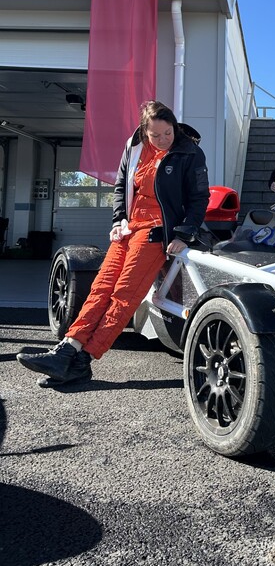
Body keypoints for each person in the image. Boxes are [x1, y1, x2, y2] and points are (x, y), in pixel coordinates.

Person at [17, 100, 209, 388]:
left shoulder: (189, 152)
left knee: (123, 296)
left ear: (174, 126)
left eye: (167, 133)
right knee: (100, 287)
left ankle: (83, 361)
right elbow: (121, 186)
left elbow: (199, 198)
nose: (162, 141)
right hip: (129, 228)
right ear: (145, 131)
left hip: (156, 232)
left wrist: (184, 234)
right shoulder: (134, 147)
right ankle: (68, 348)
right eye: (155, 135)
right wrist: (118, 220)